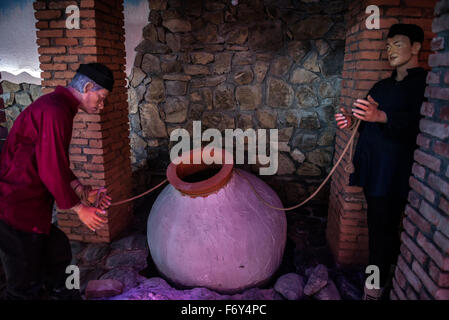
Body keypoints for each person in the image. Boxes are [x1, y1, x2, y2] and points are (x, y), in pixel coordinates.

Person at [0, 63, 114, 300]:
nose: (101, 106)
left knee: (57, 249)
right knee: (23, 285)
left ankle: (61, 294)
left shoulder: (58, 107)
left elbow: (54, 162)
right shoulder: (55, 110)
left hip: (28, 204)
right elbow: (50, 167)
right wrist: (80, 208)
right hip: (16, 205)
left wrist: (81, 190)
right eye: (101, 98)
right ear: (88, 86)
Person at [334, 24, 428, 300]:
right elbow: (363, 123)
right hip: (373, 170)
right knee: (378, 226)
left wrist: (382, 117)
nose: (390, 50)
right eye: (388, 45)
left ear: (416, 47)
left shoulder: (425, 85)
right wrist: (349, 122)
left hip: (394, 173)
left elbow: (421, 125)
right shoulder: (382, 86)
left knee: (382, 230)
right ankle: (378, 277)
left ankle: (374, 286)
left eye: (398, 44)